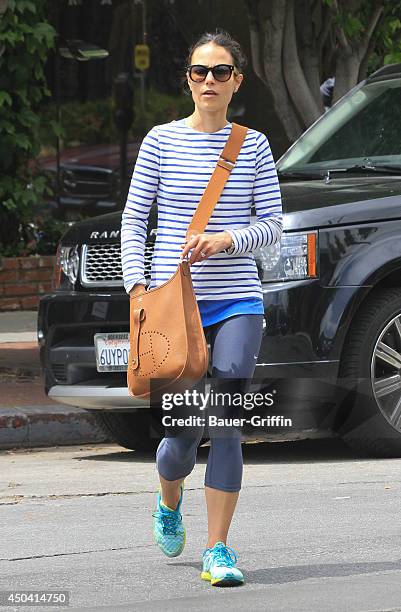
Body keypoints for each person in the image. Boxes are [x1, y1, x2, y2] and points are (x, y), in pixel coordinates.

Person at [121, 29, 283, 587]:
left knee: (229, 419)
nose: (208, 80)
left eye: (219, 72)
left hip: (237, 300)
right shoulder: (161, 141)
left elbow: (273, 227)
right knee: (181, 442)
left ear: (237, 80)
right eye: (198, 71)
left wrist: (226, 240)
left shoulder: (254, 145)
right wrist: (137, 287)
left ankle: (218, 550)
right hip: (174, 308)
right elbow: (133, 220)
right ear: (188, 78)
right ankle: (169, 500)